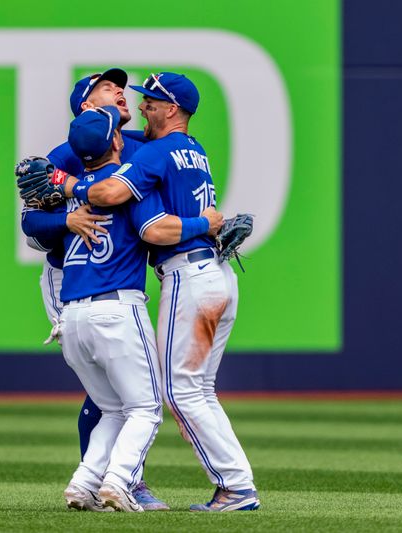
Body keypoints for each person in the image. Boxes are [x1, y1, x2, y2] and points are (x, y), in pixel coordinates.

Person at [56, 73, 260, 512]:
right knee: (198, 389)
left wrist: (67, 184)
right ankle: (236, 485)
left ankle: (236, 487)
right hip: (217, 275)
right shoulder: (195, 149)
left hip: (189, 275)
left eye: (150, 101)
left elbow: (142, 219)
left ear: (171, 110)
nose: (142, 107)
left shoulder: (157, 151)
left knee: (180, 393)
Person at [18, 68, 166, 509]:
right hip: (79, 282)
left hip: (85, 296)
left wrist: (75, 190)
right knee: (137, 402)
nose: (119, 90)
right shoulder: (67, 153)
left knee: (114, 398)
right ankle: (122, 481)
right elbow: (31, 225)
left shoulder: (135, 146)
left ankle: (89, 481)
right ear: (86, 107)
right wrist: (66, 217)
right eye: (106, 88)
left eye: (120, 86)